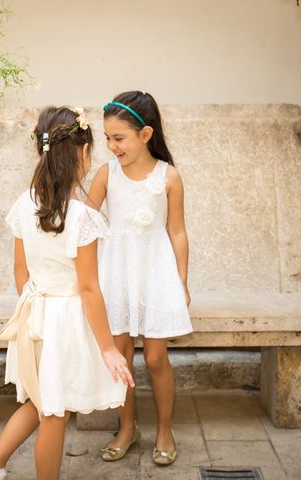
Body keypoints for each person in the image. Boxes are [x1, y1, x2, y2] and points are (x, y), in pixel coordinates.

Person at [0, 106, 134, 480]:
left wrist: (32, 304)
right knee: (55, 413)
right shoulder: (82, 217)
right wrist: (108, 348)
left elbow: (20, 269)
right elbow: (89, 288)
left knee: (42, 402)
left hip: (35, 313)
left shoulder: (25, 202)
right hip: (66, 322)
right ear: (80, 154)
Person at [87, 91, 193, 466]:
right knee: (119, 356)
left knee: (155, 356)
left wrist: (181, 282)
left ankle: (165, 429)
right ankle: (127, 427)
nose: (112, 146)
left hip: (156, 273)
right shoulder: (106, 174)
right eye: (107, 138)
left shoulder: (169, 177)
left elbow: (177, 232)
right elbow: (83, 218)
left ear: (145, 134)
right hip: (116, 274)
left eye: (119, 138)